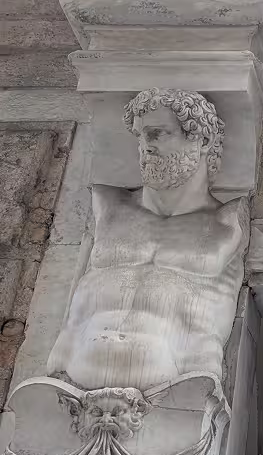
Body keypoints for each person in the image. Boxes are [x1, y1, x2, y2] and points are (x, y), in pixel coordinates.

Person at [47, 88, 247, 392]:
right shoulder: (108, 205)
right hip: (70, 386)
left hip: (175, 391)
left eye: (158, 134)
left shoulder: (228, 223)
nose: (145, 147)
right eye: (140, 136)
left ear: (203, 141)